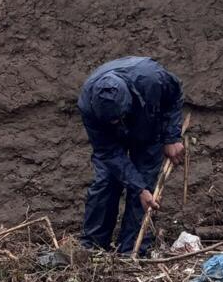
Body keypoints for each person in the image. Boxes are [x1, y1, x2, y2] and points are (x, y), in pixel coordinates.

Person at [78, 57, 185, 255]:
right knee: (106, 181)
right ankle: (92, 249)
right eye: (112, 120)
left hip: (148, 128)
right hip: (110, 142)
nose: (117, 123)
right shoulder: (87, 104)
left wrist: (172, 137)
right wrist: (138, 188)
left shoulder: (152, 79)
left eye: (119, 118)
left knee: (145, 189)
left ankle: (131, 252)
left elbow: (175, 95)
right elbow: (108, 153)